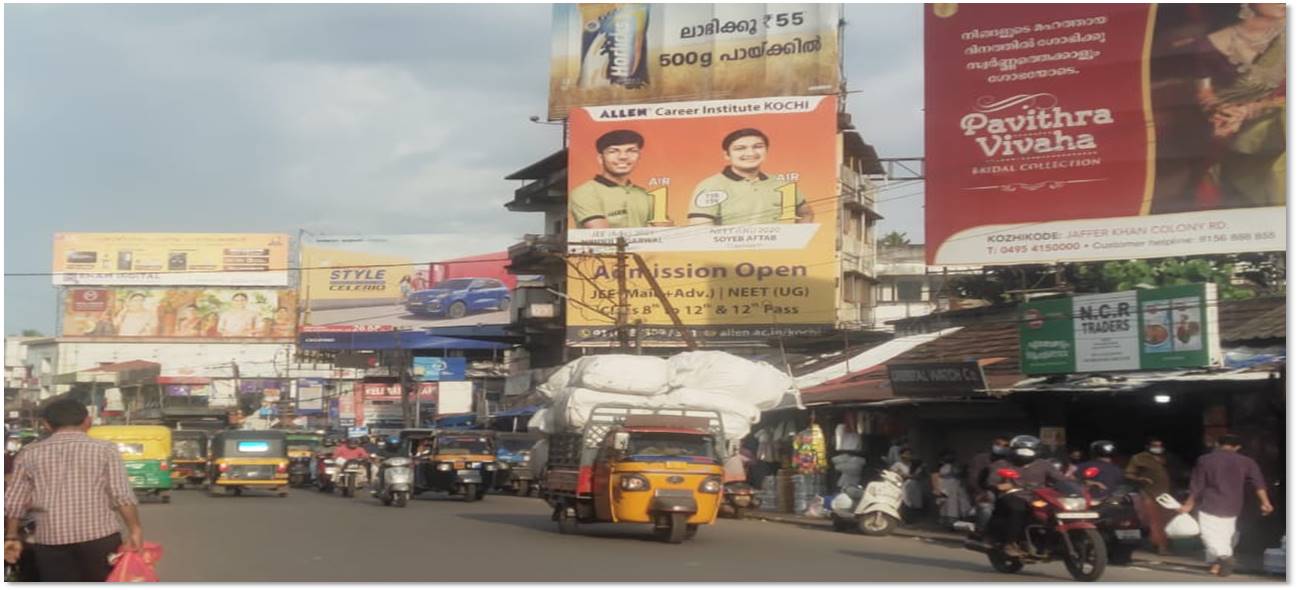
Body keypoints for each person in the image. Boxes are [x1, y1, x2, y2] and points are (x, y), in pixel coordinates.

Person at [3, 398, 144, 581]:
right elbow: (121, 494)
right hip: (100, 539)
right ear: (88, 421)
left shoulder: (29, 453)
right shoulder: (105, 450)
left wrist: (12, 536)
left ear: (46, 424)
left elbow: (15, 499)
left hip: (50, 541)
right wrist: (135, 529)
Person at [1178, 433, 1273, 577]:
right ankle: (1218, 565)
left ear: (1217, 444)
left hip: (1211, 504)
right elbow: (1258, 483)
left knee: (1209, 535)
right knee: (1226, 536)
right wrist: (1265, 502)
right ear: (1238, 447)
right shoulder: (1247, 462)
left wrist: (1189, 503)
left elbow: (1197, 485)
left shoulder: (1205, 460)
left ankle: (1224, 557)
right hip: (1233, 506)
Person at [687, 128, 814, 226]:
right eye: (740, 148)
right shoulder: (710, 185)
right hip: (732, 257)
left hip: (778, 257)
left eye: (758, 147)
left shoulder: (782, 183)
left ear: (766, 151)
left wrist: (794, 239)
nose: (750, 153)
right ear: (727, 155)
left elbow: (806, 213)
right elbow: (701, 228)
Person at [984, 435, 1069, 557]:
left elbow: (1060, 479)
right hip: (1012, 495)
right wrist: (1000, 486)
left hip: (1038, 497)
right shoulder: (1002, 464)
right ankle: (1010, 543)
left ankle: (1050, 542)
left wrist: (1074, 484)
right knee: (1018, 508)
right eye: (1021, 450)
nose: (1024, 454)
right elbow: (991, 481)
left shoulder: (1043, 464)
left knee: (1058, 509)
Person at [569, 129, 662, 229]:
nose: (623, 157)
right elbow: (603, 236)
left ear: (639, 156)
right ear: (600, 158)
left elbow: (666, 233)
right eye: (613, 151)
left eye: (631, 151)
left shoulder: (645, 195)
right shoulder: (585, 192)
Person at [1126, 437, 1174, 554]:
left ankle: (1164, 543)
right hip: (1148, 493)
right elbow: (1128, 474)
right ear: (1148, 446)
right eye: (1154, 445)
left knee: (1167, 519)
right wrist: (1140, 479)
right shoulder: (1139, 458)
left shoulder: (1168, 457)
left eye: (1159, 445)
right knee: (1154, 520)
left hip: (1166, 494)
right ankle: (1160, 546)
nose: (1157, 448)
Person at [931, 451, 973, 528]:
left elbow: (961, 475)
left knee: (956, 505)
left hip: (956, 488)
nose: (949, 458)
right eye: (947, 456)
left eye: (950, 456)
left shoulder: (955, 466)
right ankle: (947, 523)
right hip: (944, 487)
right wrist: (936, 489)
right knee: (945, 505)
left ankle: (955, 523)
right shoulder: (938, 466)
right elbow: (934, 477)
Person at [890, 448, 924, 519]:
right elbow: (892, 473)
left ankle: (913, 519)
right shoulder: (898, 464)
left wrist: (908, 475)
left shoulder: (914, 465)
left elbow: (919, 475)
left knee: (915, 502)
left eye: (909, 454)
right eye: (905, 454)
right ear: (901, 455)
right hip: (902, 485)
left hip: (914, 485)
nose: (907, 456)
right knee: (904, 502)